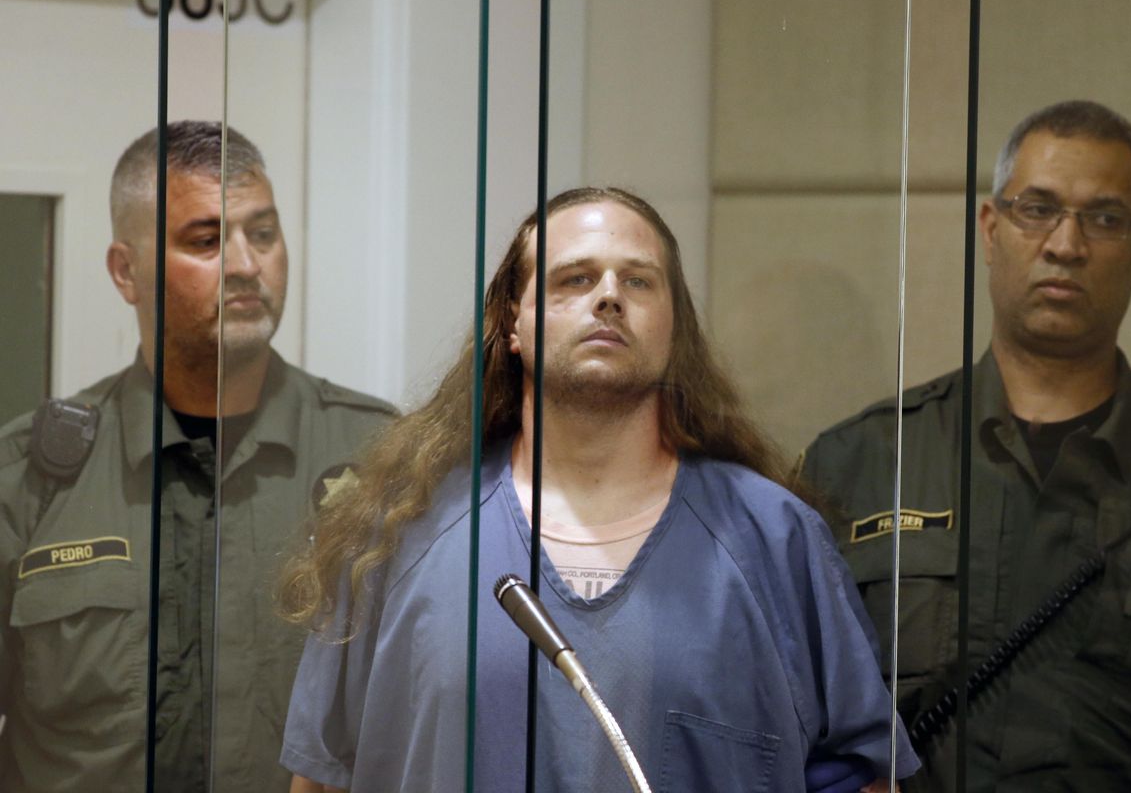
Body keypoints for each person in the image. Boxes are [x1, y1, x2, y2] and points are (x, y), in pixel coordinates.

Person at [277, 186, 919, 792]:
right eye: (573, 279)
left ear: (676, 330)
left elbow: (869, 778)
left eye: (638, 281)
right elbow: (321, 780)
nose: (608, 296)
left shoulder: (774, 539)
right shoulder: (398, 533)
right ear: (513, 324)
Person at [801, 100, 1131, 791]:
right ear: (991, 229)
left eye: (1104, 219)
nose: (1066, 245)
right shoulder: (860, 464)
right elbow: (786, 717)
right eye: (1037, 209)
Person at [0, 121, 392, 792]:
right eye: (206, 240)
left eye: (262, 234)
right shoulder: (30, 476)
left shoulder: (379, 459)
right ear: (127, 271)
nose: (246, 264)